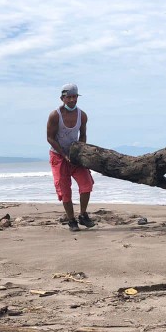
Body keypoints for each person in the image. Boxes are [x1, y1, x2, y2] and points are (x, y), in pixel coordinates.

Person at [47, 83, 95, 232]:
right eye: (69, 97)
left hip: (75, 156)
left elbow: (83, 134)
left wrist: (80, 152)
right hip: (58, 156)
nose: (72, 100)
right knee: (65, 190)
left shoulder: (82, 115)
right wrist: (64, 155)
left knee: (87, 184)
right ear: (63, 98)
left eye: (75, 97)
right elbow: (50, 138)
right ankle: (71, 220)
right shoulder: (55, 115)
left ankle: (82, 215)